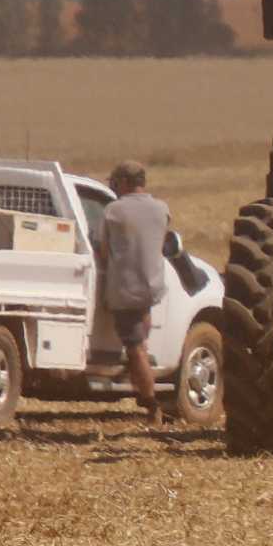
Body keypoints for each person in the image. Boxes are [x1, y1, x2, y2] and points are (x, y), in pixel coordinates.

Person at [98, 160, 170, 420]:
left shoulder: (113, 211)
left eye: (116, 182)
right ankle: (142, 382)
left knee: (135, 347)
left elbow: (104, 252)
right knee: (142, 340)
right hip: (152, 287)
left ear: (125, 183)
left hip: (125, 289)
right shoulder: (162, 209)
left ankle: (150, 401)